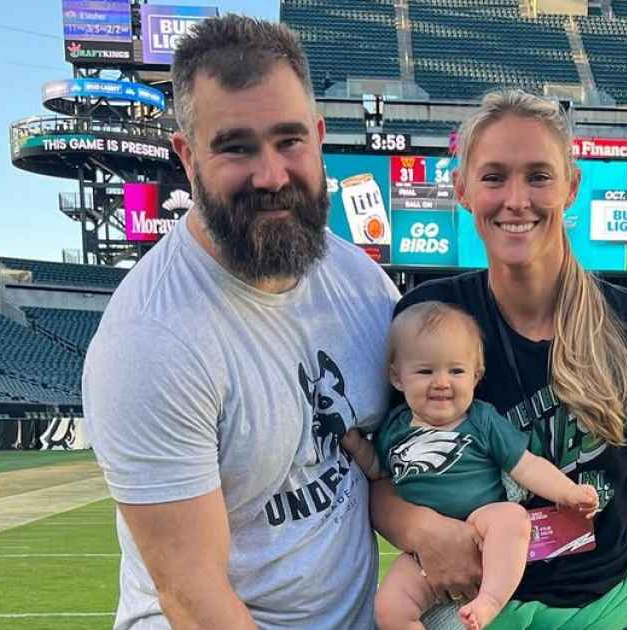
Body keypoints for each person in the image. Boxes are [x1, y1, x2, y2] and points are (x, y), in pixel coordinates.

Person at [82, 15, 398, 630]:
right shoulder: (148, 340)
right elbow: (193, 596)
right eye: (236, 147)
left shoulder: (364, 287)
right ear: (188, 157)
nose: (271, 176)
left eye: (289, 141)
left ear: (319, 138)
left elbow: (404, 466)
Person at [369, 89, 627, 630]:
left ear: (571, 186)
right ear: (462, 189)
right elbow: (381, 475)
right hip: (463, 606)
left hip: (598, 609)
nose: (516, 200)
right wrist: (422, 532)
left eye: (538, 176)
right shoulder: (428, 320)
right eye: (493, 177)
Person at [342, 301, 599, 630]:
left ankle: (489, 600)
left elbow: (527, 466)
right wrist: (356, 446)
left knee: (512, 518)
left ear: (476, 376)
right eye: (425, 371)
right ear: (397, 377)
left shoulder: (481, 419)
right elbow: (379, 470)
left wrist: (569, 492)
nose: (441, 382)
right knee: (388, 609)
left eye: (456, 371)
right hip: (424, 552)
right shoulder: (394, 427)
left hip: (482, 526)